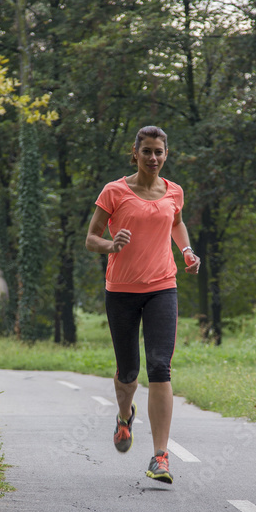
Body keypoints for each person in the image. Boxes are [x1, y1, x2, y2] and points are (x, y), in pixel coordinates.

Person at [85, 126, 200, 484]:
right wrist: (110, 245)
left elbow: (177, 224)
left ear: (166, 154)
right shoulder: (114, 191)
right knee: (129, 372)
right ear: (134, 153)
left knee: (160, 367)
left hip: (162, 288)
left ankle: (160, 457)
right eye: (147, 151)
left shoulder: (174, 192)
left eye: (159, 152)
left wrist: (186, 250)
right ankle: (124, 417)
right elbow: (91, 238)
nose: (153, 158)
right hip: (120, 290)